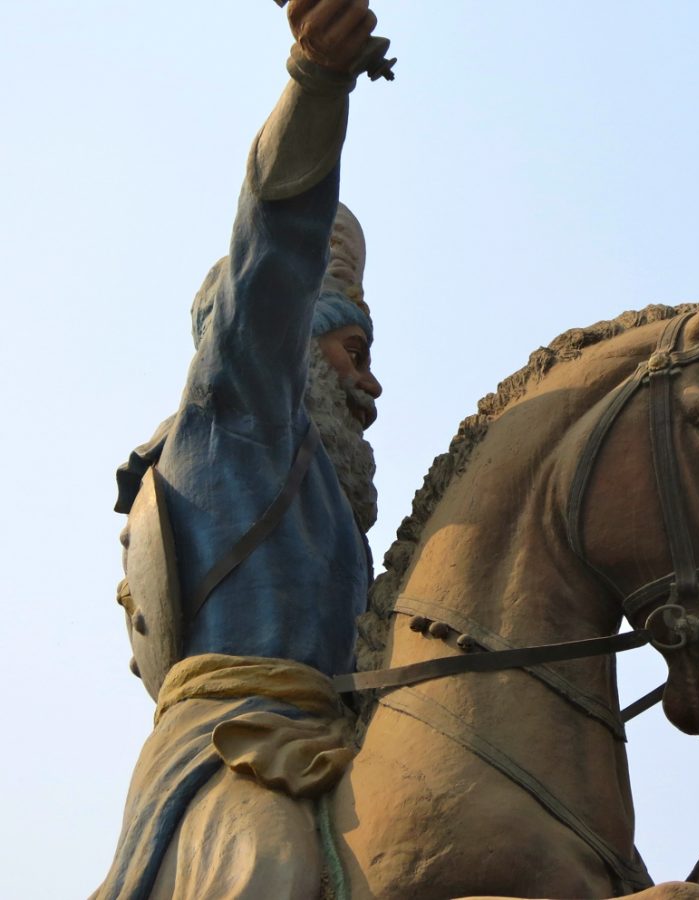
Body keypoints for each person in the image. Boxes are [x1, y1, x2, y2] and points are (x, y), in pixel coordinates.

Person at [95, 1, 386, 896]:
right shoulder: (233, 419)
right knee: (268, 864)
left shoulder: (334, 518)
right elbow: (273, 252)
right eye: (354, 354)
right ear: (293, 344)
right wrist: (316, 83)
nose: (371, 390)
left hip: (337, 752)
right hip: (231, 756)